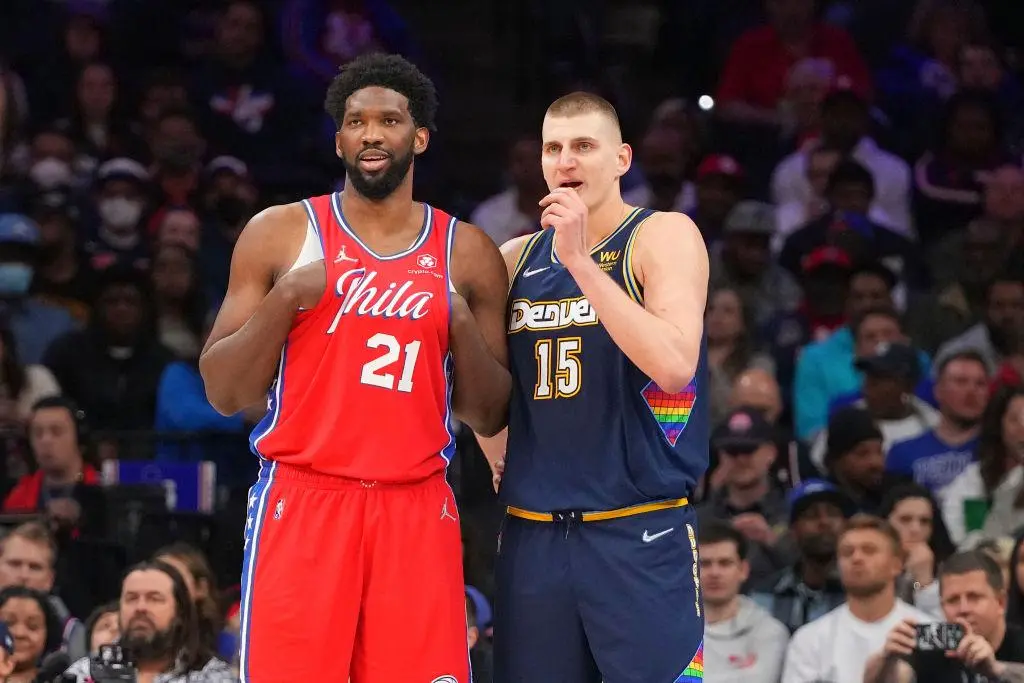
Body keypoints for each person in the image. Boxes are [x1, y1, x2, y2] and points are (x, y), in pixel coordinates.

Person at [199, 53, 511, 682]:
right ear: (339, 137)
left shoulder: (468, 252)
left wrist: (456, 322)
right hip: (307, 498)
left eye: (390, 120)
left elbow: (492, 411)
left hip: (415, 506)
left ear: (418, 137)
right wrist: (286, 300)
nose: (371, 134)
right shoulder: (281, 234)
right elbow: (223, 391)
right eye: (356, 121)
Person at [479, 91, 710, 683]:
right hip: (534, 537)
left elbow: (675, 365)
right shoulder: (511, 259)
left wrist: (580, 263)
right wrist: (494, 447)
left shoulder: (663, 235)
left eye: (584, 146)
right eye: (553, 149)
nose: (566, 162)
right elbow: (476, 381)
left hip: (639, 528)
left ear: (622, 159)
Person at [864, 550, 1024, 683]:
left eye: (974, 597)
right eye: (953, 600)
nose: (963, 609)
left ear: (1001, 602)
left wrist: (996, 669)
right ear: (941, 606)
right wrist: (886, 658)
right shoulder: (932, 647)